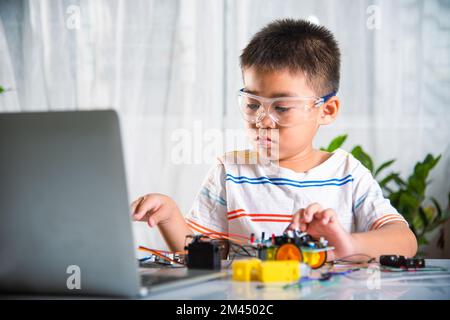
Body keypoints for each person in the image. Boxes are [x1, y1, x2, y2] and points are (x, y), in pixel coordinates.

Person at [131, 19, 417, 261]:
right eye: (253, 104)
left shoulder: (348, 175)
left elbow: (405, 241)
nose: (262, 120)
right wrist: (170, 218)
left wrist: (349, 244)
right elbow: (203, 257)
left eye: (281, 107)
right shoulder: (230, 172)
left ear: (326, 110)